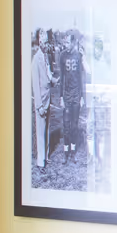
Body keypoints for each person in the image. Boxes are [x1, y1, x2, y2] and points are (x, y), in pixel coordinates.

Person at [58, 30, 89, 160]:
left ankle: (72, 152)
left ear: (72, 42)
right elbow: (61, 77)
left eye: (67, 41)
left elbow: (82, 77)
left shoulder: (78, 56)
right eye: (64, 41)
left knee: (75, 126)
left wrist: (82, 96)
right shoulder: (62, 56)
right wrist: (61, 97)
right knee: (66, 125)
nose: (65, 44)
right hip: (66, 95)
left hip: (76, 95)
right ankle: (65, 153)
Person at [31, 31, 53, 168]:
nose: (46, 45)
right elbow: (35, 85)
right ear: (40, 42)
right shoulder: (36, 59)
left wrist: (53, 79)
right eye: (44, 43)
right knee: (40, 131)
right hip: (41, 101)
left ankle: (46, 156)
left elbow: (48, 74)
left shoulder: (46, 57)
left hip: (48, 98)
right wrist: (38, 105)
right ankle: (40, 163)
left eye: (47, 42)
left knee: (47, 129)